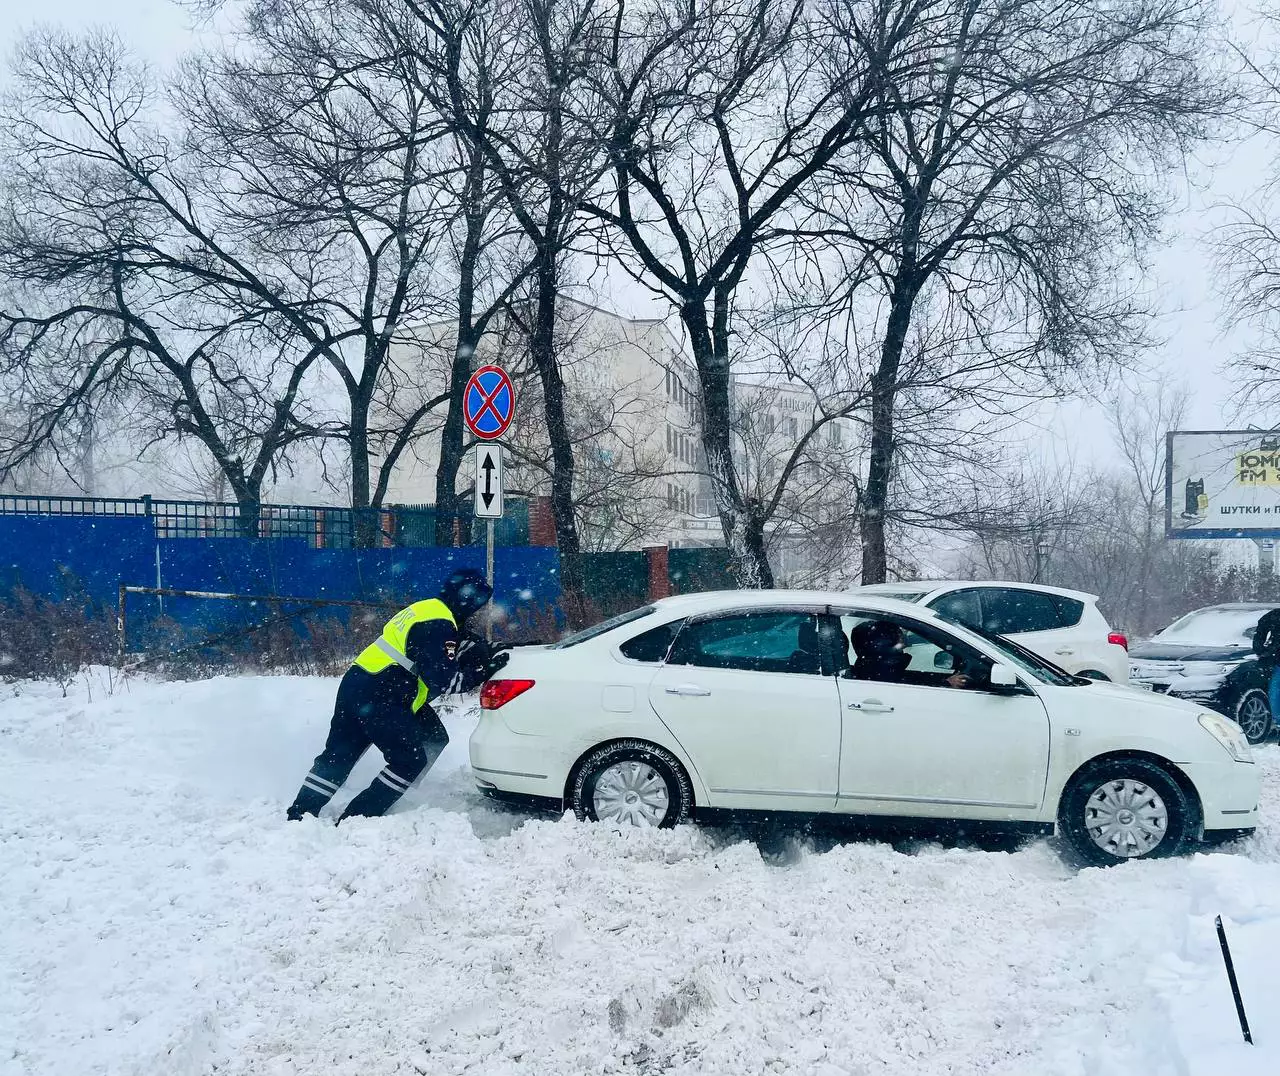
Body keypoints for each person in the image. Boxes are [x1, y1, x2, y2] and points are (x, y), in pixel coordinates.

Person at [286, 568, 506, 822]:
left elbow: (457, 641)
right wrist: (482, 671)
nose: (478, 608)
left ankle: (300, 813)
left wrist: (486, 650)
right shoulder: (439, 623)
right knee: (409, 761)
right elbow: (446, 681)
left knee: (343, 752)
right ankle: (358, 818)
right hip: (384, 693)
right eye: (478, 600)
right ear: (466, 597)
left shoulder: (428, 609)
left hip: (360, 683)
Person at [848, 619, 975, 689]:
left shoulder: (873, 664)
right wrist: (945, 683)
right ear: (884, 642)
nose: (904, 643)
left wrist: (943, 680)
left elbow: (909, 677)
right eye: (899, 636)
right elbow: (912, 686)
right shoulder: (881, 670)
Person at [1252, 606, 1280, 722]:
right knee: (1276, 688)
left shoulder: (1275, 615)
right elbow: (1262, 627)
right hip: (1278, 658)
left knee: (1276, 688)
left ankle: (1275, 718)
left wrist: (1260, 649)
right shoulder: (1276, 615)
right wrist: (1260, 649)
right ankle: (1275, 718)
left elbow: (1262, 627)